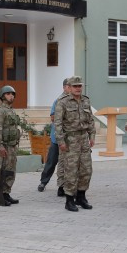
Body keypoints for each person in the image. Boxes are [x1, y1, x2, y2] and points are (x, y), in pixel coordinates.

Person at [54, 76, 96, 212]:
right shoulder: (63, 102)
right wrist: (61, 141)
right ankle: (69, 200)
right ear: (69, 88)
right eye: (75, 86)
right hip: (70, 140)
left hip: (84, 139)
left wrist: (92, 136)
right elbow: (58, 123)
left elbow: (90, 120)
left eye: (80, 86)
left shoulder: (86, 100)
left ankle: (81, 197)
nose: (78, 88)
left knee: (86, 169)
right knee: (71, 171)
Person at [0, 85, 23, 206]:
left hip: (12, 146)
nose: (11, 96)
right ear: (3, 96)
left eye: (12, 94)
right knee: (2, 170)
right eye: (8, 94)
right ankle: (0, 194)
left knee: (10, 170)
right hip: (4, 146)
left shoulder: (11, 110)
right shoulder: (0, 111)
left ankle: (6, 193)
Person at [38, 79, 69, 194]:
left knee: (67, 164)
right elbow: (52, 117)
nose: (71, 89)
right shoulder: (58, 101)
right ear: (64, 87)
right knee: (51, 161)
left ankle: (64, 186)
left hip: (70, 139)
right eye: (69, 86)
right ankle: (43, 182)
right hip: (57, 138)